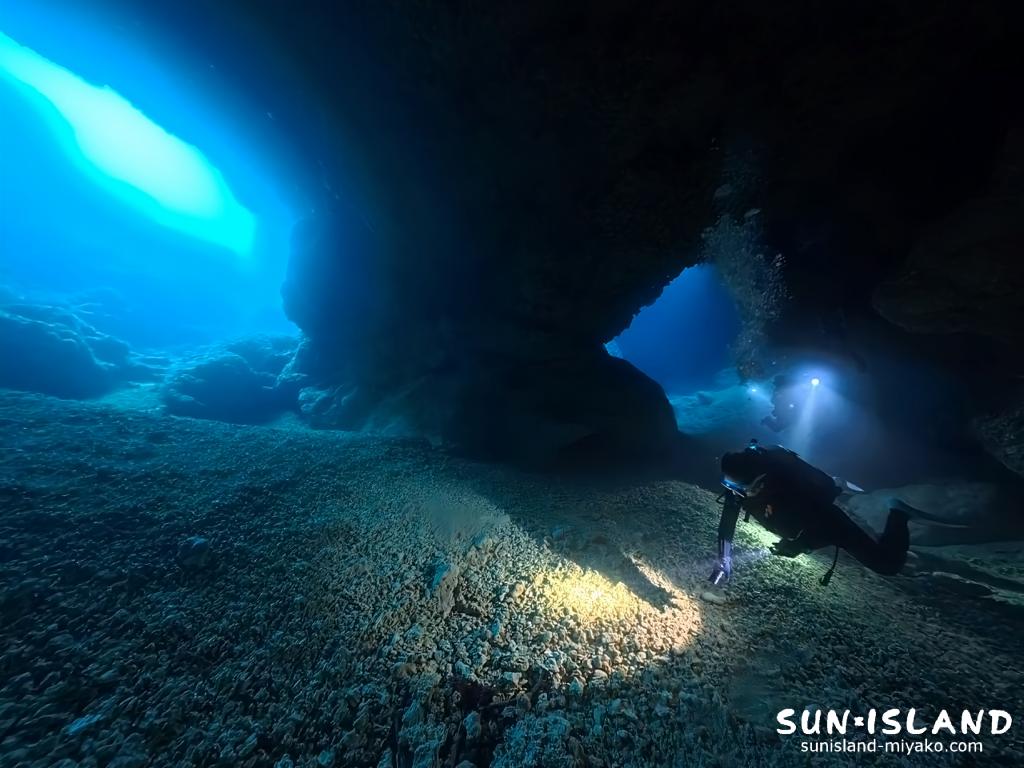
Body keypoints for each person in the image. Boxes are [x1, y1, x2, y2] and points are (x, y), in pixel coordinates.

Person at [708, 440, 943, 586]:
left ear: (764, 475)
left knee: (887, 565)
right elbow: (727, 524)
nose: (751, 493)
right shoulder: (736, 489)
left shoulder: (787, 478)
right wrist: (724, 560)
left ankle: (898, 513)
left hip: (825, 518)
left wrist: (802, 545)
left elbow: (822, 521)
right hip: (800, 524)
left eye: (757, 486)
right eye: (744, 490)